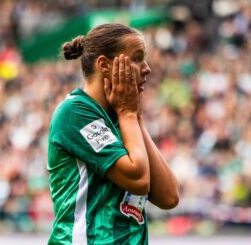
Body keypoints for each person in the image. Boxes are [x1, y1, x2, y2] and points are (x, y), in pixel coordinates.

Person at [47, 23, 179, 244]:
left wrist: (135, 118)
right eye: (136, 58)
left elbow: (169, 197)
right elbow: (138, 180)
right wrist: (128, 114)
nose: (146, 68)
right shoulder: (75, 112)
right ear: (104, 65)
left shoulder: (122, 115)